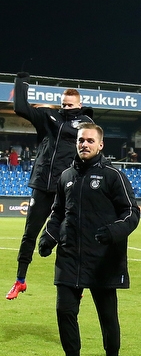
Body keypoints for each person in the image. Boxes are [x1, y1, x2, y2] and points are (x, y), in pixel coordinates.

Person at [37, 123, 140, 356]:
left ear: (100, 145)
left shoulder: (113, 176)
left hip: (103, 258)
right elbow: (59, 212)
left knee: (107, 317)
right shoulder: (66, 175)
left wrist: (113, 232)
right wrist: (49, 236)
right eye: (81, 140)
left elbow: (131, 212)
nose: (84, 144)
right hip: (70, 255)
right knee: (64, 312)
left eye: (90, 140)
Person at [7, 73, 94, 300]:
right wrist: (21, 83)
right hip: (41, 184)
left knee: (69, 237)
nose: (67, 108)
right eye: (64, 104)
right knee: (29, 234)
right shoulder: (49, 117)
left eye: (71, 105)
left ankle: (74, 283)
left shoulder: (85, 125)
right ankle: (20, 280)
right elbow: (21, 108)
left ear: (80, 105)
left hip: (67, 189)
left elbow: (92, 149)